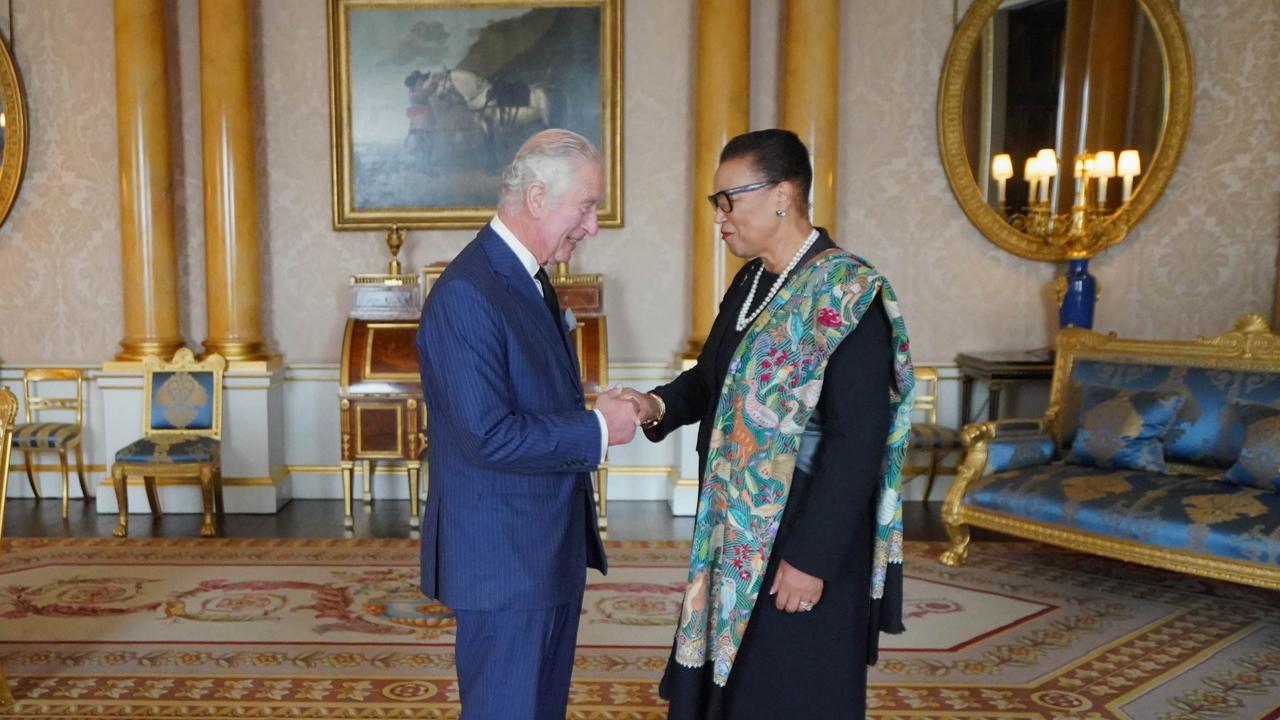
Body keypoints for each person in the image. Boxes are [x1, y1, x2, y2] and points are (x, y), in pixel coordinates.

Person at [620, 129, 915, 719]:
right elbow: (711, 379)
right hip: (736, 528)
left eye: (729, 200)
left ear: (782, 194)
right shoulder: (752, 282)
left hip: (804, 531)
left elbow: (858, 440)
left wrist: (811, 559)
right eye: (716, 204)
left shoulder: (848, 292)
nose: (720, 218)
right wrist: (655, 405)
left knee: (789, 689)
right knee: (737, 688)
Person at [416, 129, 639, 720]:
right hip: (505, 562)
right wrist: (596, 429)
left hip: (542, 548)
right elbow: (488, 434)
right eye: (587, 206)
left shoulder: (528, 278)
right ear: (538, 198)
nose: (592, 226)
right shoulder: (469, 291)